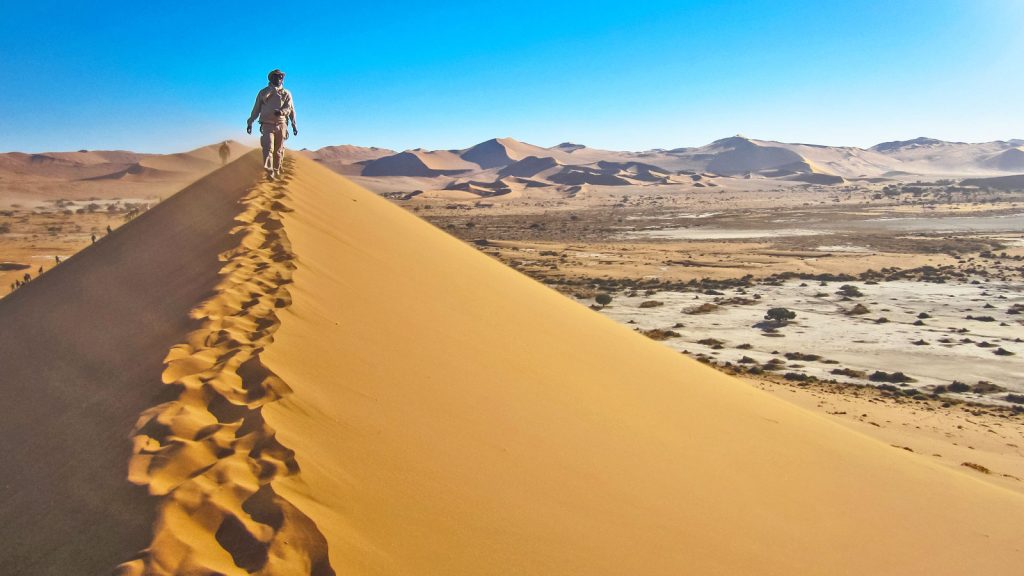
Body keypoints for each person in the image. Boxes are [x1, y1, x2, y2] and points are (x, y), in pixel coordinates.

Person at [246, 69, 298, 180]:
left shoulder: (286, 93)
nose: (278, 78)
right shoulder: (263, 93)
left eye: (280, 76)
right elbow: (256, 109)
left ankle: (276, 169)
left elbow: (290, 109)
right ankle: (269, 172)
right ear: (271, 78)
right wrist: (250, 122)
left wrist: (293, 125)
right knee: (268, 147)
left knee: (278, 150)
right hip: (267, 125)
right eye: (276, 76)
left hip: (281, 124)